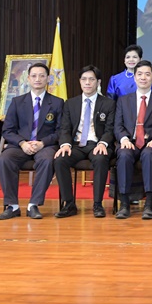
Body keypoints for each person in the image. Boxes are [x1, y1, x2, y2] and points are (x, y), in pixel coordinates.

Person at [0, 63, 64, 220]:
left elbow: (61, 131)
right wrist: (22, 143)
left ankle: (33, 204)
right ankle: (12, 206)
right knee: (4, 160)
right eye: (34, 76)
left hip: (45, 145)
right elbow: (7, 130)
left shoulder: (57, 102)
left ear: (48, 78)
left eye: (42, 76)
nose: (37, 79)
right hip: (20, 145)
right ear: (28, 79)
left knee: (47, 160)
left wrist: (42, 143)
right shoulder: (17, 102)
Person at [53, 66, 116, 219]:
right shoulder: (70, 103)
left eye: (91, 79)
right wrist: (65, 144)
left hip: (97, 144)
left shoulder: (108, 104)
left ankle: (97, 204)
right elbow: (65, 128)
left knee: (101, 159)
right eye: (84, 79)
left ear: (98, 82)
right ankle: (69, 204)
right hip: (76, 145)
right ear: (80, 82)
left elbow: (110, 129)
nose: (87, 83)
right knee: (60, 160)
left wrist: (103, 143)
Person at [113, 60, 152, 220]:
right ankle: (124, 203)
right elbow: (118, 125)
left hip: (151, 142)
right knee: (123, 155)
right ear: (135, 77)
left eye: (147, 74)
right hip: (129, 141)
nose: (143, 77)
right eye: (140, 74)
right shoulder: (123, 100)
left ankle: (149, 203)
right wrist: (123, 139)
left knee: (149, 154)